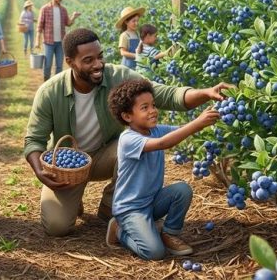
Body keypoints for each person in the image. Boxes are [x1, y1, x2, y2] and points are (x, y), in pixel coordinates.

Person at [23, 28, 231, 237]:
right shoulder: (50, 92)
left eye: (100, 57)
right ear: (70, 62)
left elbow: (165, 94)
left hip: (107, 154)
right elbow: (34, 140)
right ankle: (73, 200)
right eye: (88, 60)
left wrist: (205, 93)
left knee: (137, 145)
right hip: (70, 166)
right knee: (56, 226)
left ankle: (109, 207)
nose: (98, 65)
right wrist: (39, 171)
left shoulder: (118, 76)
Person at [105, 79, 219, 259]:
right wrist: (197, 123)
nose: (153, 111)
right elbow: (164, 143)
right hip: (131, 209)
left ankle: (169, 233)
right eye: (145, 108)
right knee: (154, 252)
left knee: (182, 190)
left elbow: (180, 130)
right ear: (127, 116)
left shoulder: (155, 130)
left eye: (153, 105)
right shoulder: (128, 139)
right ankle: (119, 230)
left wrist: (209, 118)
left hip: (152, 201)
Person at [36, 0, 81, 81]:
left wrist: (73, 16)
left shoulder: (63, 10)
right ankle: (46, 82)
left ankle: (57, 84)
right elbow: (39, 26)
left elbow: (68, 23)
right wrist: (37, 41)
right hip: (48, 42)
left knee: (59, 65)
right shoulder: (45, 9)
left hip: (60, 42)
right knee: (48, 65)